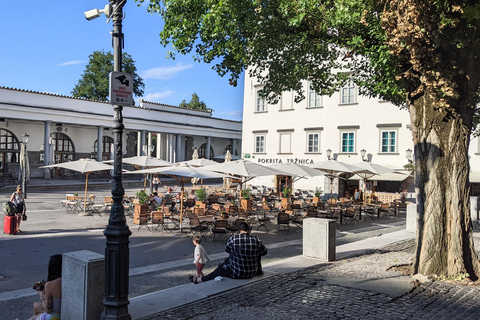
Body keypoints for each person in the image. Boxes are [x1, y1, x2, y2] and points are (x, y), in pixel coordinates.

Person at [188, 222, 267, 284]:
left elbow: (227, 249)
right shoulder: (257, 239)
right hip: (252, 272)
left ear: (239, 230)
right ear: (249, 230)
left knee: (219, 270)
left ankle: (199, 280)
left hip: (236, 272)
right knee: (258, 250)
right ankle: (200, 279)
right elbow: (264, 252)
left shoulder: (233, 238)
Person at [28, 254, 62, 320]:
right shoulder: (67, 280)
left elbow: (48, 310)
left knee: (32, 318)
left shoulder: (50, 285)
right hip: (62, 312)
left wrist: (41, 295)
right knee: (35, 305)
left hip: (54, 317)